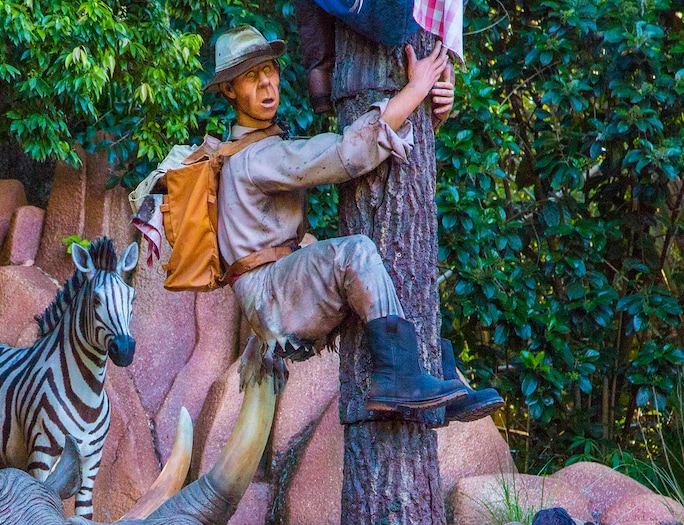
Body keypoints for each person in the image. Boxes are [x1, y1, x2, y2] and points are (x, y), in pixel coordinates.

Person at [206, 24, 500, 418]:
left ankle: (435, 374)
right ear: (229, 90)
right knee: (356, 253)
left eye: (269, 70)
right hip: (270, 295)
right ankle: (396, 379)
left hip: (279, 287)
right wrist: (415, 90)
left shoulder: (262, 145)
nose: (265, 84)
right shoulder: (255, 158)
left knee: (389, 266)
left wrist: (429, 111)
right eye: (250, 76)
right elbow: (348, 154)